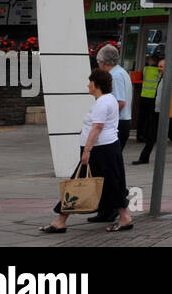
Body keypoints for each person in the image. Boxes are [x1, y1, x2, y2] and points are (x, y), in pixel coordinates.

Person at [39, 69, 134, 233]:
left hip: (100, 151)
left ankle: (60, 221)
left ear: (96, 85)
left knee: (81, 183)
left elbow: (97, 127)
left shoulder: (102, 102)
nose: (87, 85)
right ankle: (124, 218)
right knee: (112, 183)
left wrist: (87, 150)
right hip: (106, 149)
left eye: (90, 82)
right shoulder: (109, 99)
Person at [131, 59, 172, 165]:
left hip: (165, 112)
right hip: (158, 111)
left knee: (168, 133)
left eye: (161, 67)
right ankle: (145, 157)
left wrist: (169, 113)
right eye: (159, 66)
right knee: (154, 134)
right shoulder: (162, 78)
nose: (159, 69)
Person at [96, 45, 132, 152]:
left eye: (98, 62)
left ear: (103, 62)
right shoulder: (121, 72)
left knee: (110, 160)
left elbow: (120, 102)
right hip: (122, 121)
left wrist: (104, 118)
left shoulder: (114, 76)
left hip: (118, 123)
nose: (98, 65)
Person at [136, 54, 159, 144]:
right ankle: (148, 136)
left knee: (142, 117)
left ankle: (139, 136)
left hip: (143, 96)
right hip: (153, 97)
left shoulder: (145, 69)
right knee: (151, 118)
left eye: (148, 60)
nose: (147, 62)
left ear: (151, 61)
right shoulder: (159, 71)